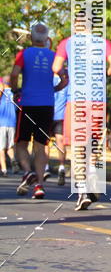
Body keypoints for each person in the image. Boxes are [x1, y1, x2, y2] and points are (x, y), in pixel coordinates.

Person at [52, 34, 111, 210]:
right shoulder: (103, 42)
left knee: (78, 145)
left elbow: (56, 67)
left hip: (77, 100)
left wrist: (65, 76)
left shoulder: (67, 43)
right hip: (98, 101)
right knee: (94, 143)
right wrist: (102, 76)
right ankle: (92, 175)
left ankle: (82, 190)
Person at [10, 23, 67, 200]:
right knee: (41, 146)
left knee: (20, 142)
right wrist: (56, 88)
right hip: (47, 105)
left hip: (27, 103)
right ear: (46, 38)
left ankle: (27, 172)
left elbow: (13, 74)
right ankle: (39, 185)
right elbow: (65, 78)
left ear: (32, 37)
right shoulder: (53, 56)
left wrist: (15, 90)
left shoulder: (24, 54)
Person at [51, 72, 68, 186]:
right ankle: (61, 167)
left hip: (47, 113)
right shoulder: (68, 81)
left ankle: (45, 168)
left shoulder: (48, 78)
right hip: (61, 116)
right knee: (60, 141)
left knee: (44, 142)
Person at [0, 76, 17, 176]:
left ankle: (4, 169)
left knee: (1, 148)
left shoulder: (1, 94)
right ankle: (13, 160)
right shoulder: (15, 93)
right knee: (10, 147)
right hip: (12, 123)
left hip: (2, 123)